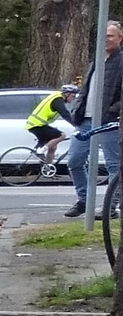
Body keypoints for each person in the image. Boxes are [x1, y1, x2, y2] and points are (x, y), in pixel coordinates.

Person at [67, 27, 123, 217]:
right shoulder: (96, 61)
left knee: (113, 165)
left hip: (109, 121)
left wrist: (112, 112)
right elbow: (85, 89)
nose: (105, 39)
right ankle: (84, 200)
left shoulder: (121, 60)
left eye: (110, 36)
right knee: (74, 160)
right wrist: (77, 110)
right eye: (103, 36)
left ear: (120, 38)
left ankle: (111, 206)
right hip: (86, 120)